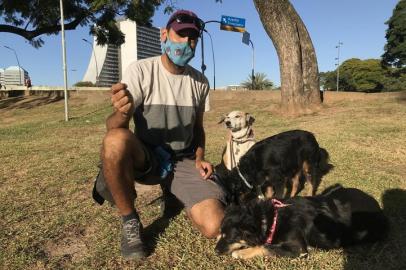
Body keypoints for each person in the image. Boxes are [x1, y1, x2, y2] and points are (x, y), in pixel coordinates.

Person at [92, 10, 225, 260]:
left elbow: (198, 129)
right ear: (165, 35)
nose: (186, 43)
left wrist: (199, 158)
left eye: (192, 38)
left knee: (215, 225)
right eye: (181, 34)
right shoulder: (141, 71)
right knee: (114, 140)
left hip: (183, 160)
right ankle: (130, 221)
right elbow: (114, 126)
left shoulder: (200, 82)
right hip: (149, 157)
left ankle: (177, 195)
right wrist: (122, 112)